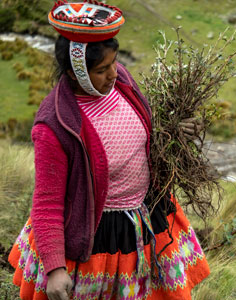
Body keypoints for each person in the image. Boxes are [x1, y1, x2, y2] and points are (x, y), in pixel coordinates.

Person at [8, 1, 210, 299]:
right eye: (102, 69)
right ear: (75, 72)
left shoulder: (123, 83)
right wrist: (54, 268)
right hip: (95, 239)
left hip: (144, 220)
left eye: (114, 62)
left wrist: (173, 132)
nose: (114, 73)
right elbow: (47, 202)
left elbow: (143, 133)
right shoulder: (56, 125)